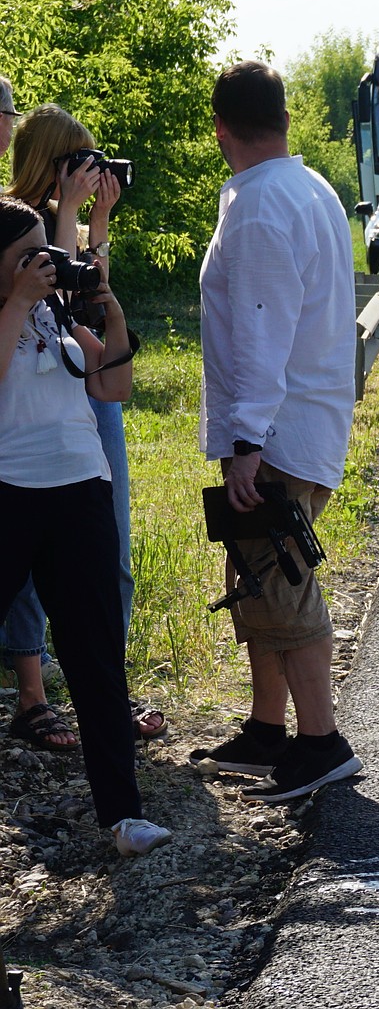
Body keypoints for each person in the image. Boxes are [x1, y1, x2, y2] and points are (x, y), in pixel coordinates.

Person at [190, 60, 361, 802]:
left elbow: (262, 331)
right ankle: (267, 730)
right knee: (255, 579)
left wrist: (246, 443)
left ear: (220, 128)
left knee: (282, 584)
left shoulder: (259, 206)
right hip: (307, 417)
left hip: (280, 431)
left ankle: (321, 742)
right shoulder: (309, 185)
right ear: (286, 118)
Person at [0, 196, 170, 855]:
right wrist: (17, 299)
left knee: (96, 657)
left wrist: (111, 311)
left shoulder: (53, 313)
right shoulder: (17, 309)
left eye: (47, 250)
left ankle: (123, 816)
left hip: (80, 495)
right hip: (10, 497)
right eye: (27, 256)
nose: (45, 264)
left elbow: (112, 388)